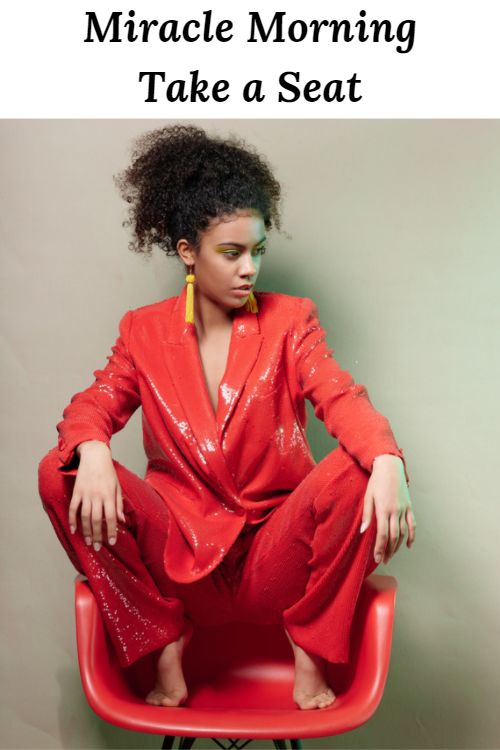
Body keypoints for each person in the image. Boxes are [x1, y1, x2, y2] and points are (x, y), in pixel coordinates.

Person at [38, 124, 416, 711]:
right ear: (188, 251)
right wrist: (90, 450)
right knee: (55, 473)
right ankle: (163, 641)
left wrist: (388, 459)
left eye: (258, 251)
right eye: (231, 252)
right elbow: (94, 405)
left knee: (362, 468)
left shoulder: (292, 321)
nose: (249, 270)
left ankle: (309, 648)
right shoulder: (143, 330)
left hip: (273, 558)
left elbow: (341, 397)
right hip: (179, 558)